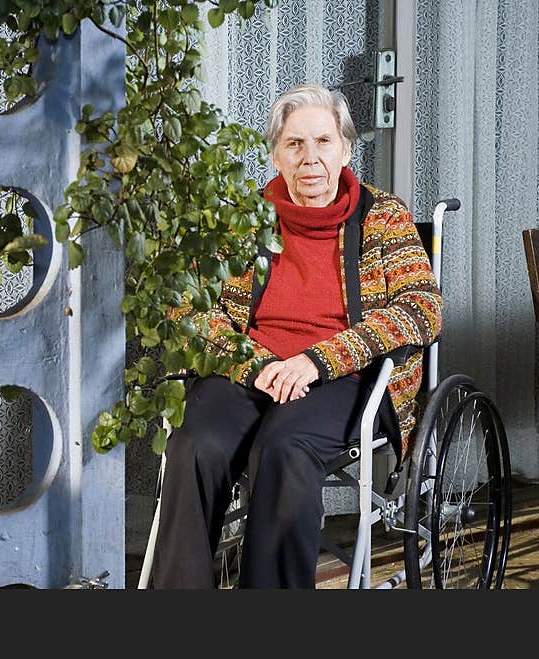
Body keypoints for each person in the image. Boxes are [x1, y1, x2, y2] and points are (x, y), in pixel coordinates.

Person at [153, 84, 442, 589]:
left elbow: (421, 309)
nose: (310, 159)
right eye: (294, 144)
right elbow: (188, 309)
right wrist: (254, 364)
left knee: (283, 448)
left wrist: (317, 359)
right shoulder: (241, 219)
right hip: (253, 369)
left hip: (342, 377)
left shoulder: (383, 217)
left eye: (323, 142)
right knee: (194, 444)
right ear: (276, 154)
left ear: (346, 149)